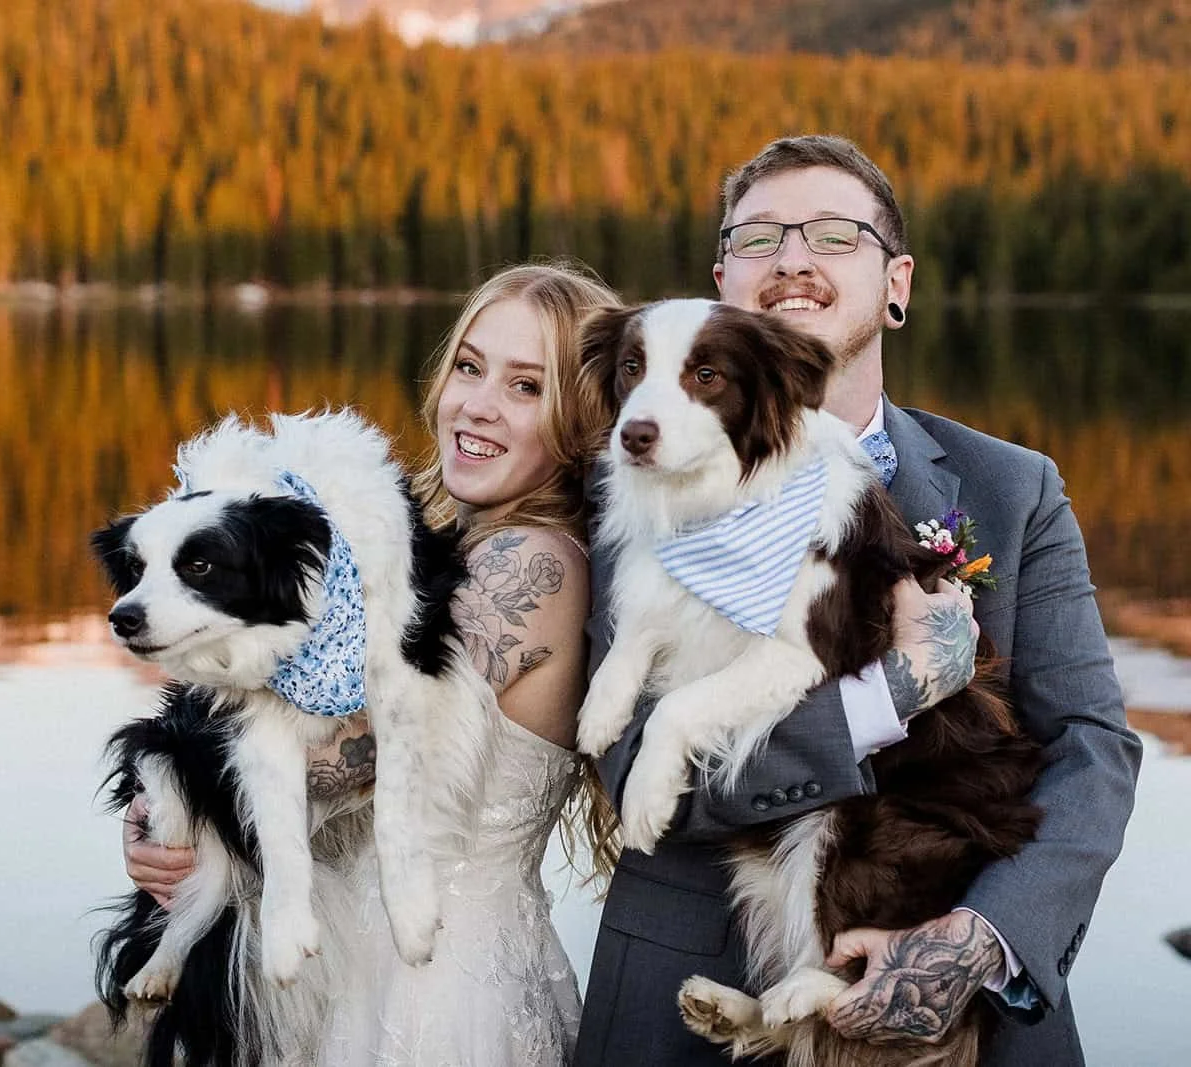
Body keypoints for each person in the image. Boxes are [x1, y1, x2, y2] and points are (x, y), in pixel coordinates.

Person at [572, 135, 1143, 1066]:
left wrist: (973, 941)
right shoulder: (625, 494)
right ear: (722, 282)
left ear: (897, 284)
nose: (793, 259)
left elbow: (1096, 746)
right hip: (679, 1002)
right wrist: (885, 701)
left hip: (954, 975)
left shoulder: (1013, 487)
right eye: (759, 238)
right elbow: (636, 770)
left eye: (834, 235)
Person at [125, 261, 624, 1065]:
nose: (478, 403)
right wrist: (163, 818)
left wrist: (175, 795)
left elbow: (334, 758)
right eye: (470, 365)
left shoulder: (530, 567)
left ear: (582, 419)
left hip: (429, 995)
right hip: (352, 968)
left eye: (528, 387)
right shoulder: (441, 545)